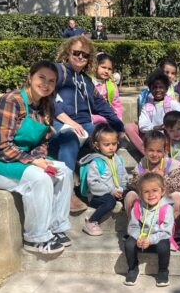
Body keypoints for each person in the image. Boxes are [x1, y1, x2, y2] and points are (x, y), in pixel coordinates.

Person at [0, 60, 71, 255]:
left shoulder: (46, 105)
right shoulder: (11, 101)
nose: (45, 84)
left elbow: (42, 141)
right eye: (41, 78)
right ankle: (35, 238)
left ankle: (56, 227)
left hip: (20, 158)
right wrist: (33, 162)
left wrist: (40, 159)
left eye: (51, 81)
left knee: (63, 172)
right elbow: (0, 146)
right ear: (30, 77)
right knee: (39, 178)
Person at [48, 36, 124, 214]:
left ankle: (102, 190)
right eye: (76, 53)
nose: (80, 57)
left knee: (106, 139)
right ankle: (66, 193)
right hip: (61, 122)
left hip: (84, 125)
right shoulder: (58, 71)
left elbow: (101, 105)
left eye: (85, 55)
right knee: (70, 138)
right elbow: (49, 99)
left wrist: (119, 127)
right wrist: (71, 122)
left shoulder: (86, 81)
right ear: (68, 53)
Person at [121, 173, 174, 287]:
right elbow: (133, 226)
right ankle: (132, 269)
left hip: (158, 239)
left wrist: (150, 239)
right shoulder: (137, 206)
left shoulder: (167, 208)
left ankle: (163, 271)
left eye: (155, 190)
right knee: (129, 243)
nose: (151, 195)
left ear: (162, 191)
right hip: (141, 240)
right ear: (140, 193)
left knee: (164, 245)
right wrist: (139, 237)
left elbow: (166, 232)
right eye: (146, 191)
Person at [124, 130, 180, 225]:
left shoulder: (171, 164)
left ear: (165, 151)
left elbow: (177, 186)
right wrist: (142, 178)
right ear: (144, 149)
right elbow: (131, 184)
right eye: (151, 150)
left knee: (178, 196)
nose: (154, 154)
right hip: (146, 200)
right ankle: (135, 226)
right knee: (130, 195)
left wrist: (162, 178)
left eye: (159, 151)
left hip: (165, 201)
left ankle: (172, 228)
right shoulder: (142, 164)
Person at [79, 124, 128, 237]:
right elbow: (93, 184)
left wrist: (122, 189)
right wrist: (111, 191)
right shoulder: (96, 162)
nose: (111, 147)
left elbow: (124, 176)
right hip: (97, 196)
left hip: (115, 192)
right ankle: (91, 222)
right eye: (106, 144)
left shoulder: (118, 159)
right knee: (109, 202)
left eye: (114, 144)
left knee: (130, 195)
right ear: (97, 145)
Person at [124, 70, 180, 156]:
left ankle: (164, 155)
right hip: (152, 136)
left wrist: (170, 126)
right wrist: (157, 127)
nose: (158, 90)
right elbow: (142, 125)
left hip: (169, 137)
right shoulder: (147, 106)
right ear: (150, 89)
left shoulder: (172, 103)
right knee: (129, 127)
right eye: (155, 87)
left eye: (161, 87)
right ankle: (149, 155)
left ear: (166, 89)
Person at [90, 53, 122, 125]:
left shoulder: (111, 86)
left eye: (109, 69)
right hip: (89, 117)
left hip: (106, 117)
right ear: (95, 66)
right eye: (103, 67)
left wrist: (118, 122)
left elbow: (116, 105)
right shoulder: (88, 82)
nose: (106, 71)